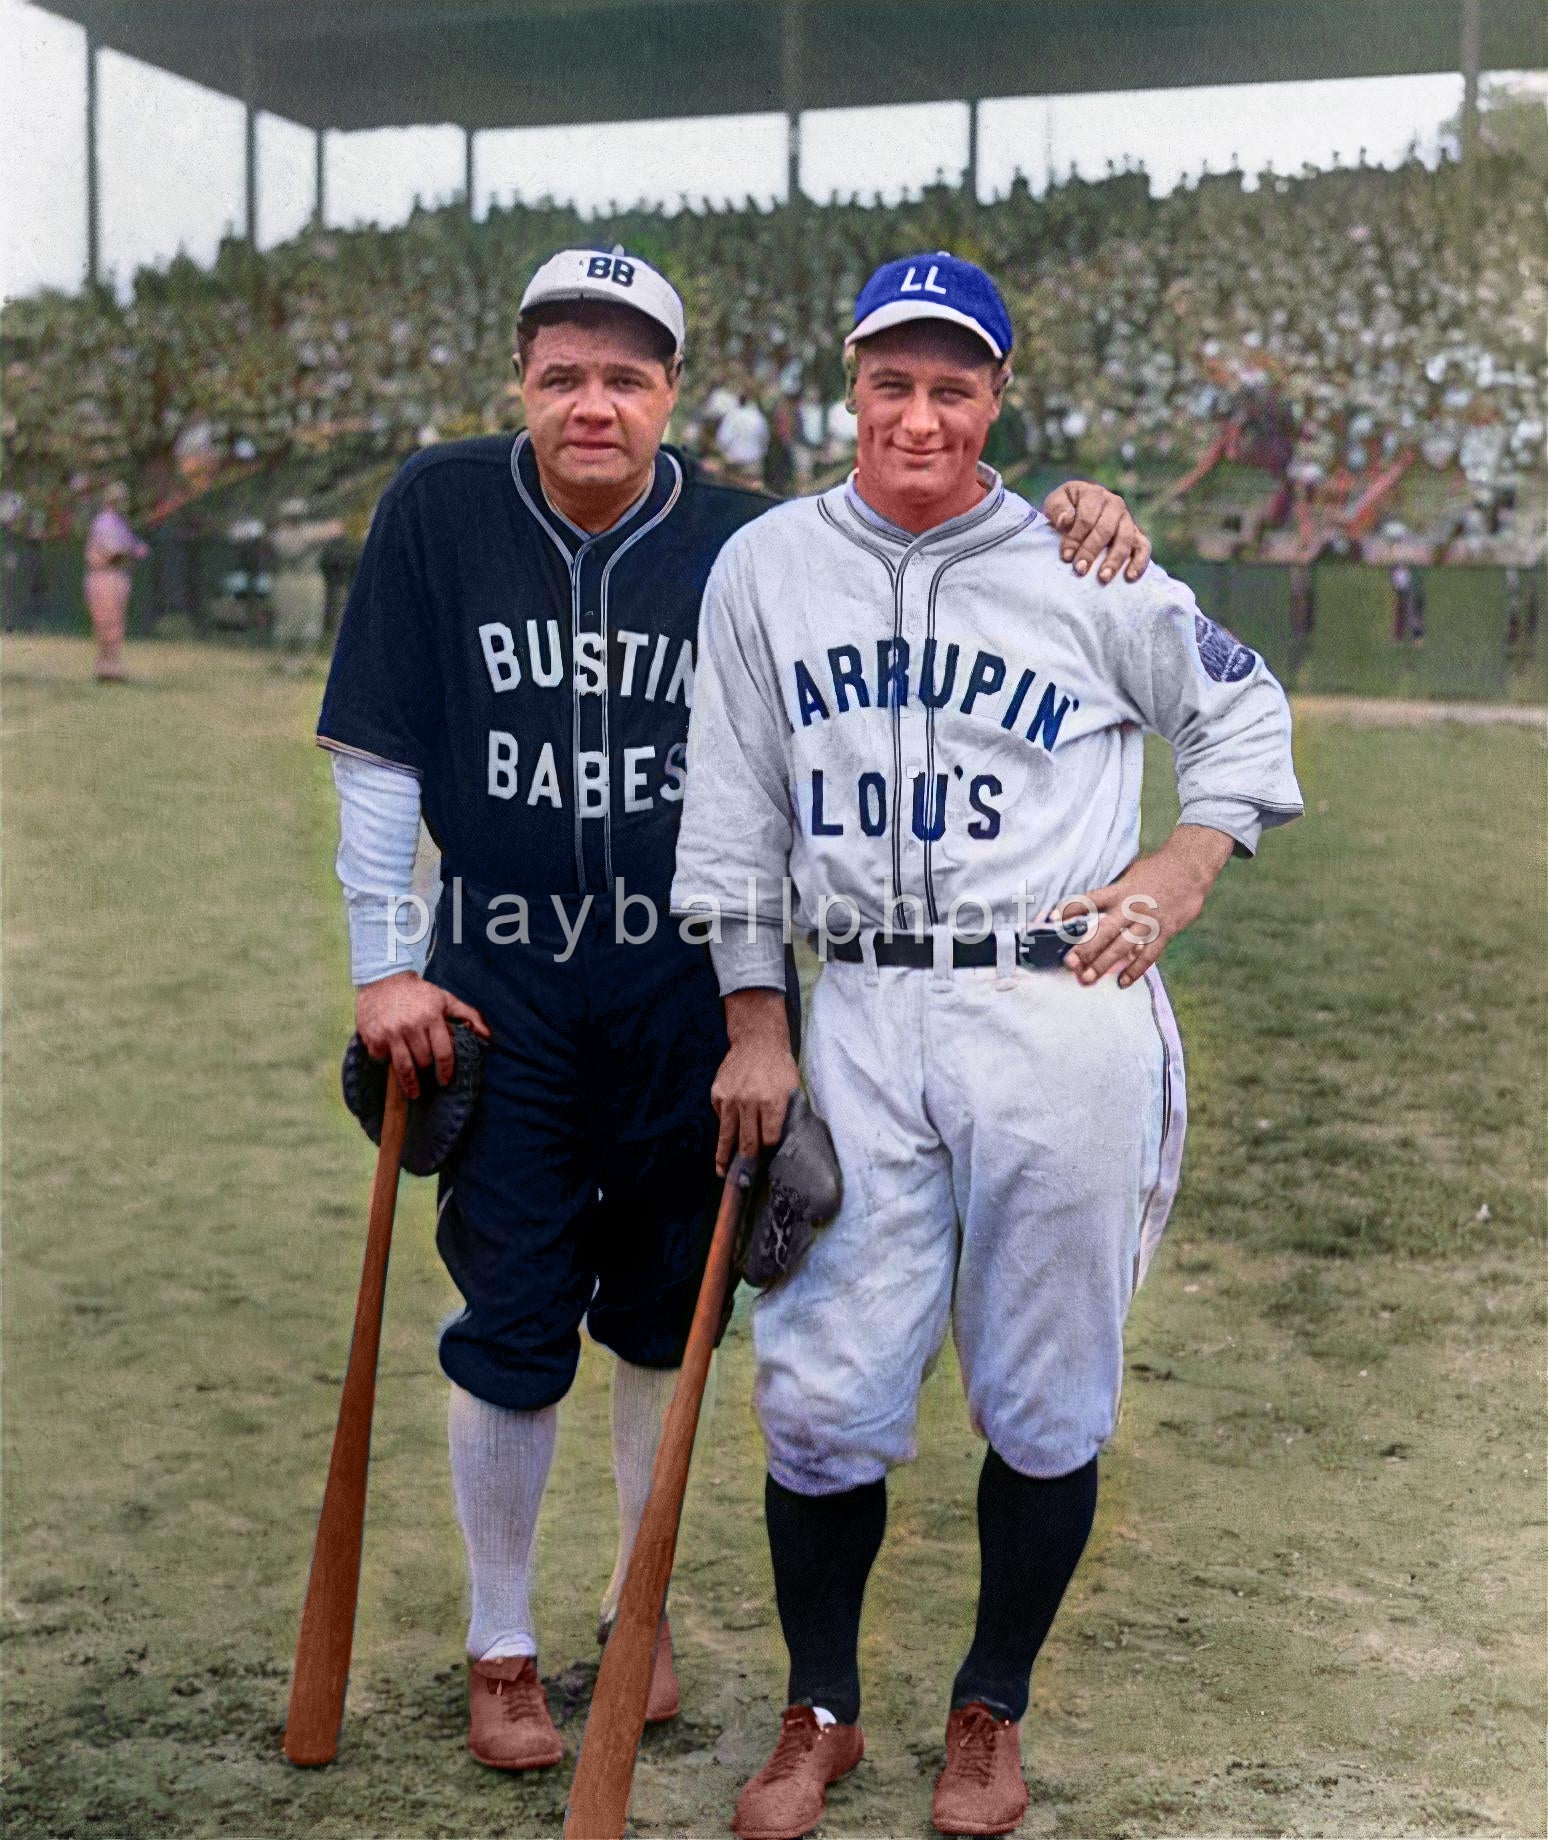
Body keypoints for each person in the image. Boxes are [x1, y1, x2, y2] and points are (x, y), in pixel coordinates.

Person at [315, 245, 1152, 1778]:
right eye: (563, 372)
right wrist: (384, 964)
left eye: (626, 376)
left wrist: (1079, 505)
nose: (593, 403)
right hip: (496, 976)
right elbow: (376, 755)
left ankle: (639, 1616)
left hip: (683, 983)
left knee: (663, 1312)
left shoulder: (748, 543)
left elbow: (922, 524)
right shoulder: (437, 508)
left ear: (674, 395)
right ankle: (504, 1643)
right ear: (522, 379)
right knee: (509, 1321)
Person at [670, 252, 1304, 1839]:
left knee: (1043, 1390)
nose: (922, 412)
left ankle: (990, 1707)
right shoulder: (764, 566)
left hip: (1057, 1001)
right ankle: (820, 1709)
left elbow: (1243, 715)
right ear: (851, 383)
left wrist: (1178, 869)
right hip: (862, 1006)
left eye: (956, 384)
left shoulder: (1088, 563)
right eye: (895, 379)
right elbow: (734, 807)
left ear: (997, 400)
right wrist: (758, 1020)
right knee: (818, 1394)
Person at [83, 482, 149, 681]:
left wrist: (136, 549)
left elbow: (137, 549)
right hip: (104, 574)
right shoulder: (105, 521)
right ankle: (106, 667)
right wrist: (131, 551)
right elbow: (114, 552)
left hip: (116, 575)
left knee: (114, 623)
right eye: (120, 499)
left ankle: (110, 667)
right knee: (106, 621)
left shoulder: (120, 523)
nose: (123, 503)